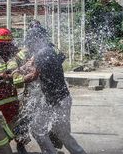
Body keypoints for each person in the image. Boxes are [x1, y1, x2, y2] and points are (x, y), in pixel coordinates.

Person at [19, 24, 87, 154]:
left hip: (59, 100)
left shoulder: (42, 52)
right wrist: (17, 71)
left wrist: (14, 80)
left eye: (31, 42)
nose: (29, 46)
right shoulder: (50, 49)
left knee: (55, 132)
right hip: (54, 98)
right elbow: (32, 66)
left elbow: (33, 75)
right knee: (41, 129)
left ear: (37, 40)